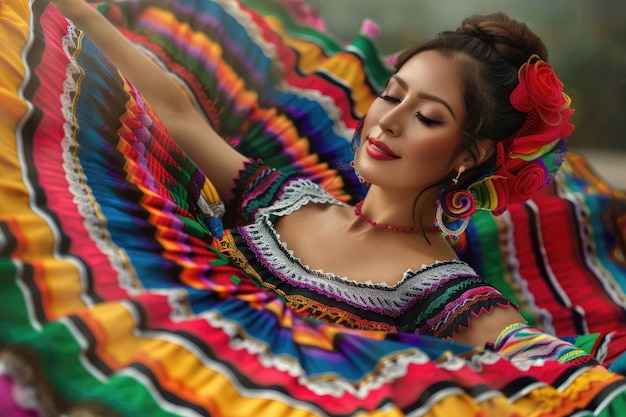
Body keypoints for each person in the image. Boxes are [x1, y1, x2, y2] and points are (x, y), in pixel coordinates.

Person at [47, 0, 575, 349]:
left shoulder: (451, 302)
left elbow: (554, 380)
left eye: (426, 116)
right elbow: (178, 112)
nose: (387, 121)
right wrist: (75, 12)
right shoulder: (284, 203)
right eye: (392, 95)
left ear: (469, 154)